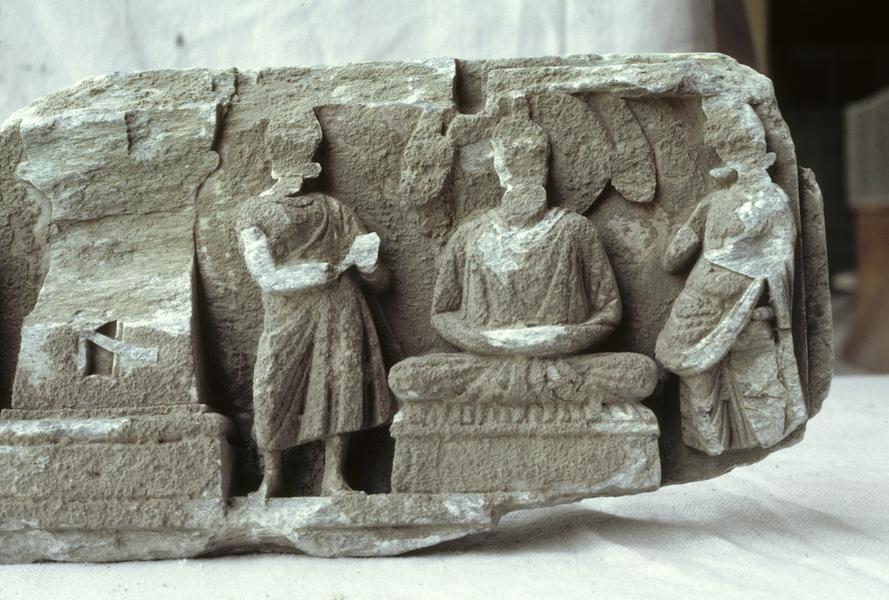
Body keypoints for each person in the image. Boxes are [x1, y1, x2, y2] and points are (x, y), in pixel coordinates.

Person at [388, 116, 656, 407]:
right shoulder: (469, 234)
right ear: (498, 167)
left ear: (546, 164)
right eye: (510, 157)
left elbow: (608, 310)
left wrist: (557, 337)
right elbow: (442, 312)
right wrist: (488, 341)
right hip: (486, 365)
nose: (521, 167)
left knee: (639, 373)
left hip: (562, 364)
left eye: (533, 156)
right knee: (406, 377)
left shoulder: (575, 229)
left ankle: (508, 402)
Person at [238, 176, 394, 496]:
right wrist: (316, 272)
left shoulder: (334, 210)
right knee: (271, 387)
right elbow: (266, 277)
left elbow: (382, 283)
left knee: (338, 386)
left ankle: (333, 476)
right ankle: (271, 476)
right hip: (287, 314)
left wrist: (369, 266)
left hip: (339, 309)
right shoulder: (253, 211)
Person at [655, 153, 806, 456]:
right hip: (700, 308)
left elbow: (674, 257)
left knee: (752, 381)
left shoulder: (769, 201)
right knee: (701, 376)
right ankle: (712, 439)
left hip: (742, 310)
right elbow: (673, 258)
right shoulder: (716, 203)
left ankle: (722, 438)